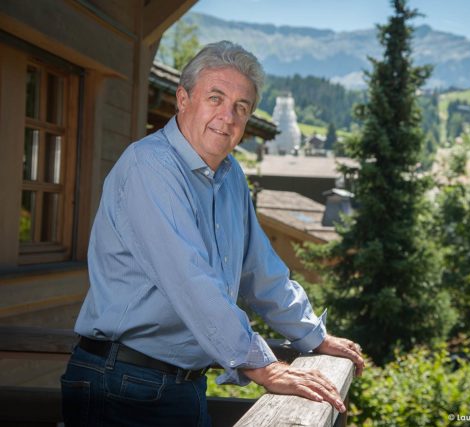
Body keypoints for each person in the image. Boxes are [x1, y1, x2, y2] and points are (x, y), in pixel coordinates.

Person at [60, 40, 364, 426]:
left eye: (241, 107)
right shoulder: (149, 166)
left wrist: (312, 336)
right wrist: (264, 367)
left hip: (182, 385)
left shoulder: (232, 175)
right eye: (215, 98)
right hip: (121, 385)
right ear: (182, 99)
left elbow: (261, 271)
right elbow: (191, 281)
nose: (228, 117)